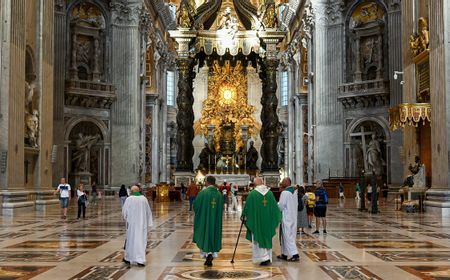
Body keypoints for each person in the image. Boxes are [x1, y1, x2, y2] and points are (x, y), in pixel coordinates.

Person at [242, 177, 281, 266]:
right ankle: (267, 256)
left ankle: (264, 258)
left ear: (255, 184)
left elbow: (247, 209)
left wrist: (244, 216)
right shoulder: (270, 194)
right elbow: (275, 209)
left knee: (258, 237)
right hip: (268, 223)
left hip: (257, 222)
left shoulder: (252, 194)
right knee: (266, 237)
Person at [193, 176, 223, 267]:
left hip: (204, 220)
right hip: (215, 221)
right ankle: (211, 254)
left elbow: (196, 206)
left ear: (207, 182)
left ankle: (207, 255)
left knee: (204, 233)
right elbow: (221, 209)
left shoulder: (202, 193)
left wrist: (201, 213)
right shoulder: (219, 194)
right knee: (213, 234)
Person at [122, 185, 153, 267]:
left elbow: (124, 212)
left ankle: (128, 258)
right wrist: (149, 223)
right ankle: (140, 259)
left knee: (130, 241)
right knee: (141, 241)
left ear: (131, 191)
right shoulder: (144, 199)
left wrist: (126, 219)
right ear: (139, 190)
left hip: (132, 225)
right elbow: (148, 212)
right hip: (142, 224)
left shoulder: (129, 199)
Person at [277, 177, 300, 262]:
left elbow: (281, 206)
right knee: (285, 235)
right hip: (293, 215)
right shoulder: (294, 191)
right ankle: (284, 254)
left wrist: (276, 204)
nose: (281, 183)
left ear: (287, 183)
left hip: (287, 216)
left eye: (282, 181)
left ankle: (295, 254)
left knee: (288, 235)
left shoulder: (285, 192)